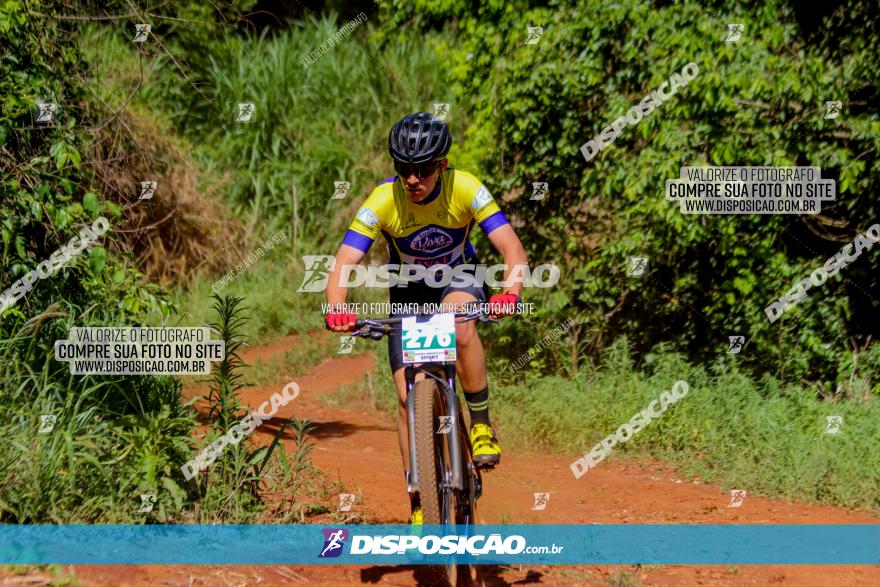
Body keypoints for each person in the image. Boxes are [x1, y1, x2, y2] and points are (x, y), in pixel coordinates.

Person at [324, 112, 528, 524]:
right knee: (405, 398)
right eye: (404, 169)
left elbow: (512, 250)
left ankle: (481, 425)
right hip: (409, 288)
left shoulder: (466, 188)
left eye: (423, 170)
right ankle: (419, 498)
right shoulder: (383, 199)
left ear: (442, 166)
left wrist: (510, 292)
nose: (413, 179)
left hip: (458, 277)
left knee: (460, 323)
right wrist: (336, 306)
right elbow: (345, 260)